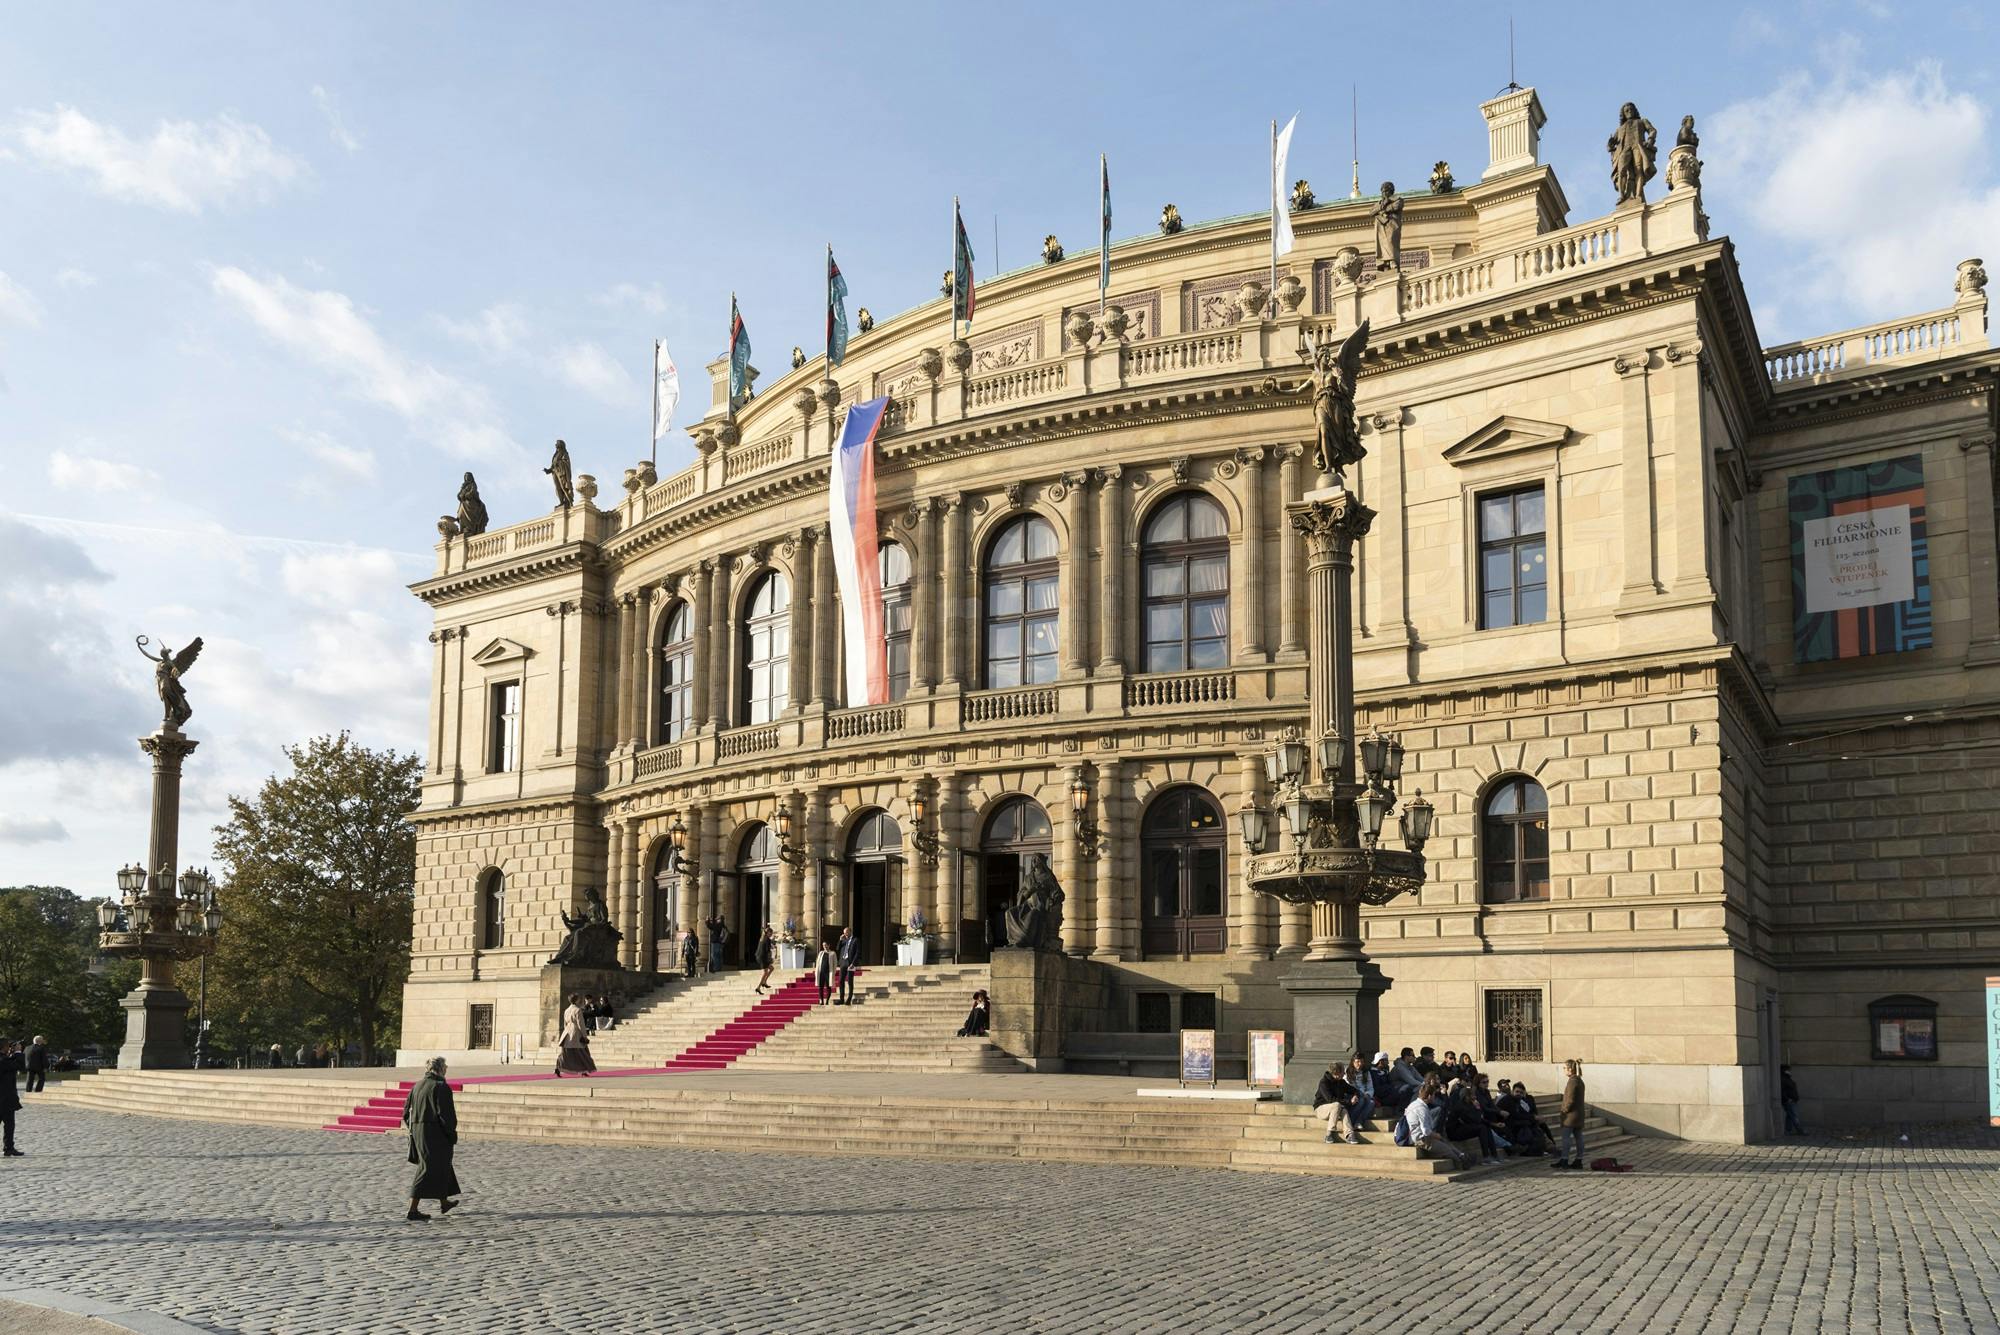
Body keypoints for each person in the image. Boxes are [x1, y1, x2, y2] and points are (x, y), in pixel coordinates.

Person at [401, 1056, 460, 1221]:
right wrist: (450, 1133)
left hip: (419, 1130)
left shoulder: (417, 1085)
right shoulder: (441, 1087)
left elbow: (406, 1112)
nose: (447, 1068)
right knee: (427, 1168)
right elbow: (447, 1116)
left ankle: (444, 1201)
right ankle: (412, 1209)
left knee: (442, 1164)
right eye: (445, 1066)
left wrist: (414, 1128)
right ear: (440, 1069)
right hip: (435, 1132)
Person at [1403, 1076, 1471, 1170]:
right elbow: (1426, 1131)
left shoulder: (1415, 1104)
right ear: (1430, 1096)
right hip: (1421, 1140)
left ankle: (1461, 1155)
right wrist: (1435, 1135)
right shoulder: (1421, 1109)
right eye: (1434, 1095)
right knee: (1446, 1149)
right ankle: (1462, 1162)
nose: (1435, 1097)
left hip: (1424, 1136)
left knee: (1445, 1141)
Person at [1312, 1063, 1363, 1145]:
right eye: (1343, 1071)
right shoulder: (1324, 1082)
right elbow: (1330, 1099)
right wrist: (1349, 1102)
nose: (1344, 1074)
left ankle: (1349, 1134)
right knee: (1337, 1105)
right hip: (1321, 1109)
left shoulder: (1341, 1082)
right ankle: (1329, 1133)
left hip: (1337, 1109)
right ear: (1337, 1072)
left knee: (1344, 1110)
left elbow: (1354, 1090)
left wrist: (1355, 1096)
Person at [554, 992, 595, 1077]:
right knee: (582, 1053)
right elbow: (581, 1024)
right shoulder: (577, 1010)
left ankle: (558, 1068)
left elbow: (565, 1024)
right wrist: (584, 1036)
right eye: (578, 998)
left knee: (567, 1053)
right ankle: (583, 1071)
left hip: (567, 1033)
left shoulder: (567, 1010)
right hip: (576, 1033)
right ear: (576, 1000)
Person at [1555, 1059, 1586, 1169]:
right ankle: (1579, 1159)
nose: (1563, 1070)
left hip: (1570, 1116)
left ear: (1570, 1069)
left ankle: (1565, 1159)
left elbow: (1570, 1099)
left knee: (1566, 1138)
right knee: (1579, 1137)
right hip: (1578, 1114)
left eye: (1564, 1068)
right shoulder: (1579, 1080)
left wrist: (1564, 1110)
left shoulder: (1573, 1081)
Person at [1, 1038, 23, 1157]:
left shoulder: (4, 1058)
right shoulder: (3, 1060)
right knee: (9, 1125)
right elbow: (18, 1065)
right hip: (5, 1099)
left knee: (9, 1124)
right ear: (4, 1047)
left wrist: (12, 1054)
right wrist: (18, 1052)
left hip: (5, 1099)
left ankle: (9, 1147)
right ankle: (8, 1147)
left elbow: (10, 1063)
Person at [1345, 1053, 1378, 1126]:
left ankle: (1359, 1122)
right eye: (1357, 1062)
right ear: (1353, 1062)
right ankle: (1351, 1122)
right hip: (1352, 1095)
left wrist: (1368, 1094)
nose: (1360, 1064)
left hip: (1364, 1094)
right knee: (1361, 1101)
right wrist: (1359, 1094)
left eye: (1362, 1062)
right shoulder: (1347, 1072)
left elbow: (1370, 1087)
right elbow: (1348, 1087)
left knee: (1371, 1103)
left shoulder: (1366, 1072)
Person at [835, 926, 859, 1005]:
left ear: (850, 932)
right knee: (841, 980)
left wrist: (853, 963)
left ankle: (849, 998)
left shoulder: (855, 940)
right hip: (843, 962)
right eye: (844, 933)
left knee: (849, 981)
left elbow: (857, 953)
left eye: (846, 932)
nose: (845, 934)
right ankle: (841, 999)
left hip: (851, 963)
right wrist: (840, 940)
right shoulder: (843, 940)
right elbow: (838, 949)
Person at [1781, 1065, 1805, 1136]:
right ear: (1785, 1071)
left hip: (1792, 1100)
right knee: (1794, 1116)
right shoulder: (1783, 1079)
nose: (1790, 1071)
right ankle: (1800, 1130)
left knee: (1789, 1116)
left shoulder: (1787, 1078)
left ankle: (1788, 1130)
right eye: (1789, 1070)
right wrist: (1787, 1099)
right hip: (1789, 1101)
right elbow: (1782, 1091)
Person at [753, 926, 777, 994]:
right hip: (763, 957)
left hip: (759, 956)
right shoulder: (767, 939)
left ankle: (764, 982)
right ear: (768, 932)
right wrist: (771, 959)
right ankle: (758, 987)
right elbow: (767, 951)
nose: (772, 934)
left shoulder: (762, 938)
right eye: (771, 932)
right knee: (765, 972)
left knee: (771, 968)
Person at [815, 940, 836, 1005]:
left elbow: (835, 964)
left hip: (828, 972)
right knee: (820, 987)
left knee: (828, 986)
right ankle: (821, 1000)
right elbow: (817, 962)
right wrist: (816, 971)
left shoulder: (832, 953)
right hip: (821, 972)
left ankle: (827, 1000)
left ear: (829, 945)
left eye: (826, 945)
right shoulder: (821, 953)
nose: (824, 946)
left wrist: (833, 973)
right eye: (823, 945)